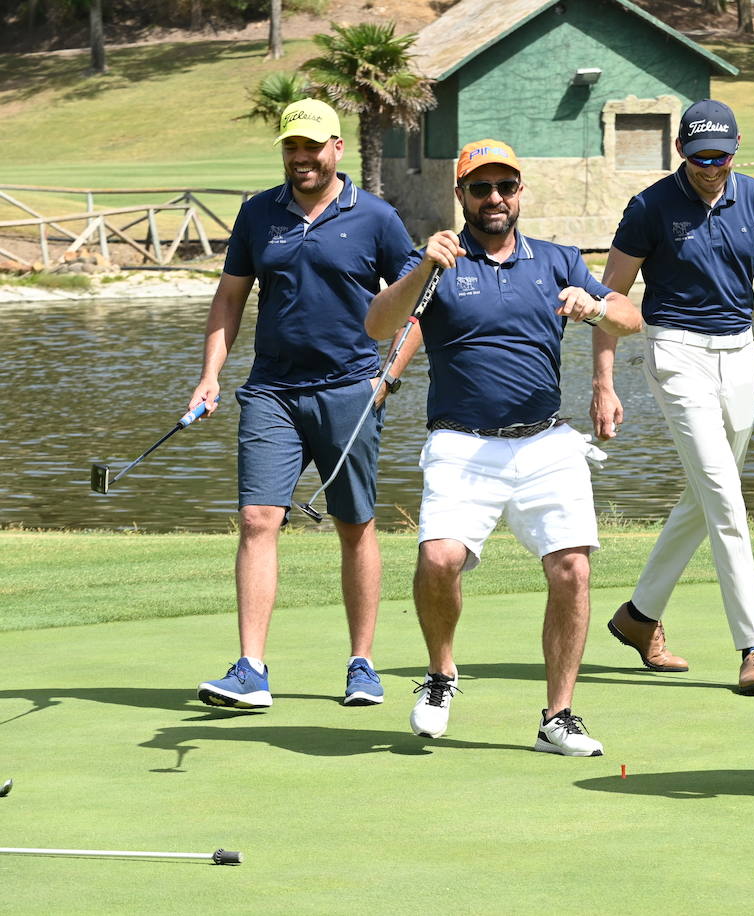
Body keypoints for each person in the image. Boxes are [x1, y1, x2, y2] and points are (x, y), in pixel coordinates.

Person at [367, 139, 641, 757]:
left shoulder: (557, 260)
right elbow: (378, 326)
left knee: (571, 568)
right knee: (439, 560)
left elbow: (632, 318)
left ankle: (559, 717)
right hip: (461, 444)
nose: (495, 199)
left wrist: (595, 307)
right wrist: (419, 269)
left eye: (506, 187)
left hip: (546, 443)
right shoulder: (438, 263)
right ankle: (441, 676)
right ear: (461, 195)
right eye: (481, 188)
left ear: (520, 193)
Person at [190, 99, 418, 710]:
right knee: (258, 519)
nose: (302, 158)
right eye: (292, 147)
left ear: (336, 148)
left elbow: (419, 300)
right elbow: (230, 299)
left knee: (354, 525)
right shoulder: (258, 213)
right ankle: (251, 669)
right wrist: (211, 375)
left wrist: (387, 377)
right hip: (271, 391)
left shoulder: (375, 216)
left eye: (312, 147)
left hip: (350, 387)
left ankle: (362, 664)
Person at [590, 99, 754, 696]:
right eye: (698, 158)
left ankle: (638, 618)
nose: (709, 167)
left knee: (707, 491)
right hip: (674, 353)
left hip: (741, 354)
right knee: (724, 496)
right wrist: (604, 383)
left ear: (737, 147)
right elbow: (608, 299)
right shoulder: (650, 207)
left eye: (720, 157)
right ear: (680, 152)